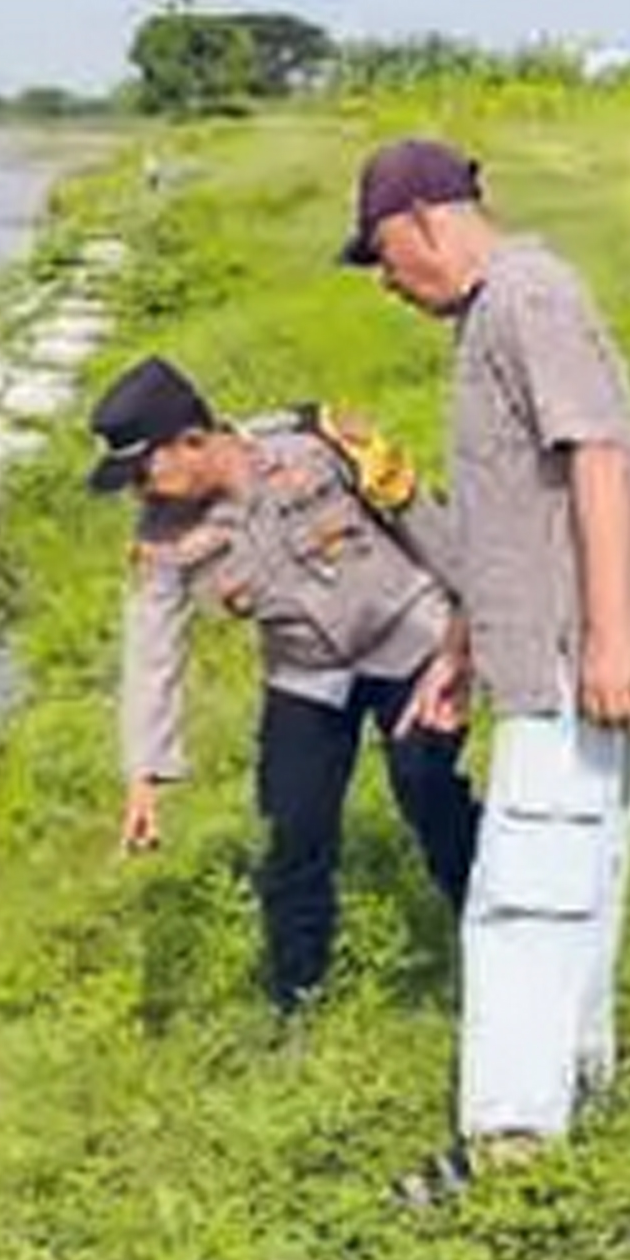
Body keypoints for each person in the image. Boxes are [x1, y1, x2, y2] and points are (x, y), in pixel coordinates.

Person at [340, 139, 630, 1204]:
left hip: (571, 650)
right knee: (577, 869)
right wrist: (460, 647)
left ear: (424, 220)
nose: (387, 282)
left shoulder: (528, 298)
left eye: (383, 256)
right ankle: (578, 1079)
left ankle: (511, 1141)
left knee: (523, 893)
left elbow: (597, 458)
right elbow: (507, 517)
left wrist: (612, 636)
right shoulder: (494, 313)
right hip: (537, 643)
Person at [96, 354, 480, 1018]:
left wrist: (474, 628)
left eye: (144, 471)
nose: (139, 492)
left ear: (192, 440)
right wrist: (144, 774)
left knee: (429, 790)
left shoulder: (317, 444)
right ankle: (298, 1002)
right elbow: (151, 648)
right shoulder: (161, 535)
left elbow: (427, 525)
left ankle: (492, 936)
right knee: (293, 832)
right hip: (308, 674)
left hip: (410, 641)